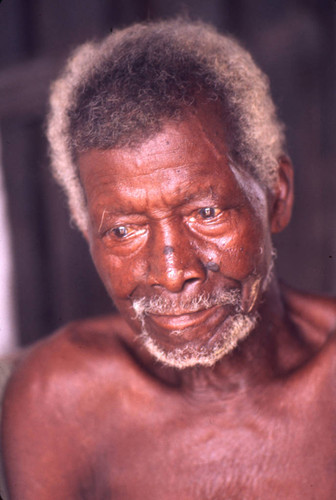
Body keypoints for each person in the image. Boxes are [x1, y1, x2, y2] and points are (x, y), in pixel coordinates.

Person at [2, 18, 336, 499]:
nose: (174, 272)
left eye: (206, 212)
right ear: (86, 231)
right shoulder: (59, 401)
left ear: (277, 196)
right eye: (122, 230)